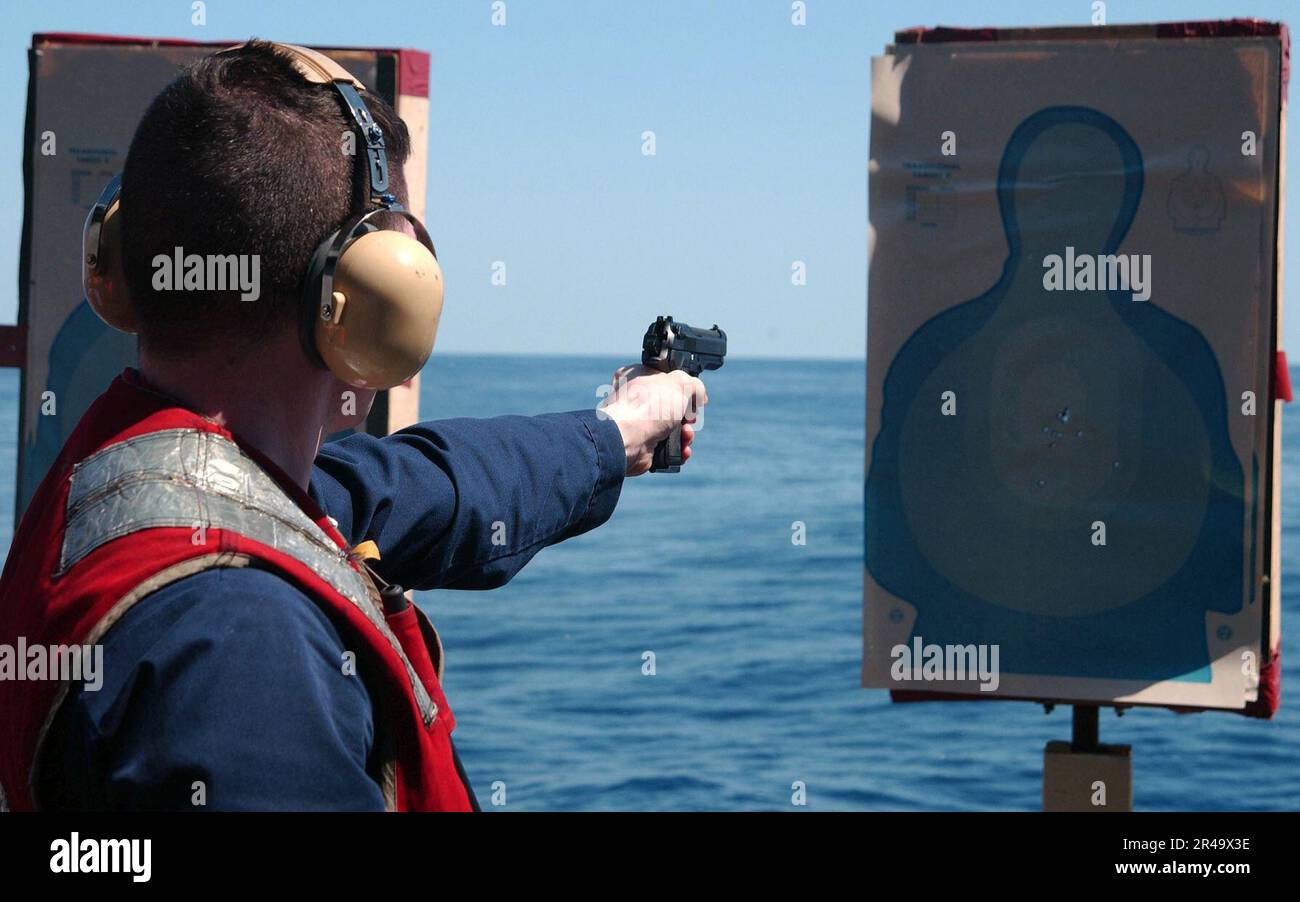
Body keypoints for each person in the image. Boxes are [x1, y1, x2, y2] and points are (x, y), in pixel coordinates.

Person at [0, 40, 709, 811]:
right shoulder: (239, 648)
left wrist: (612, 433)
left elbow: (427, 486)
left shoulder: (135, 478)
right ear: (372, 296)